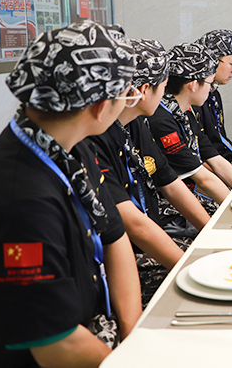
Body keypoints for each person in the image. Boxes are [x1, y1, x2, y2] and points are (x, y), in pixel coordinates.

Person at [0, 20, 141, 367]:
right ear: (100, 107)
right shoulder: (20, 201)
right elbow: (57, 344)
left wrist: (134, 338)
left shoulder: (73, 146)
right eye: (125, 95)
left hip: (98, 326)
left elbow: (114, 237)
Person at [90, 38, 212, 307]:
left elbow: (169, 181)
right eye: (164, 87)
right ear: (144, 90)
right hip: (123, 257)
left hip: (147, 235)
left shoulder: (134, 122)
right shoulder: (95, 137)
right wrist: (190, 270)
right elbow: (133, 224)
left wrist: (211, 231)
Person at [147, 42, 232, 206]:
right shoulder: (162, 120)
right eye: (210, 83)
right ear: (194, 84)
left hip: (190, 192)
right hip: (167, 204)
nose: (211, 89)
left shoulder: (184, 113)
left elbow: (216, 160)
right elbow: (203, 179)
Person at [195, 29, 232, 173]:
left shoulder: (214, 94)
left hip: (222, 164)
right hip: (209, 171)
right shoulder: (193, 100)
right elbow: (197, 160)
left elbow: (221, 141)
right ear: (213, 61)